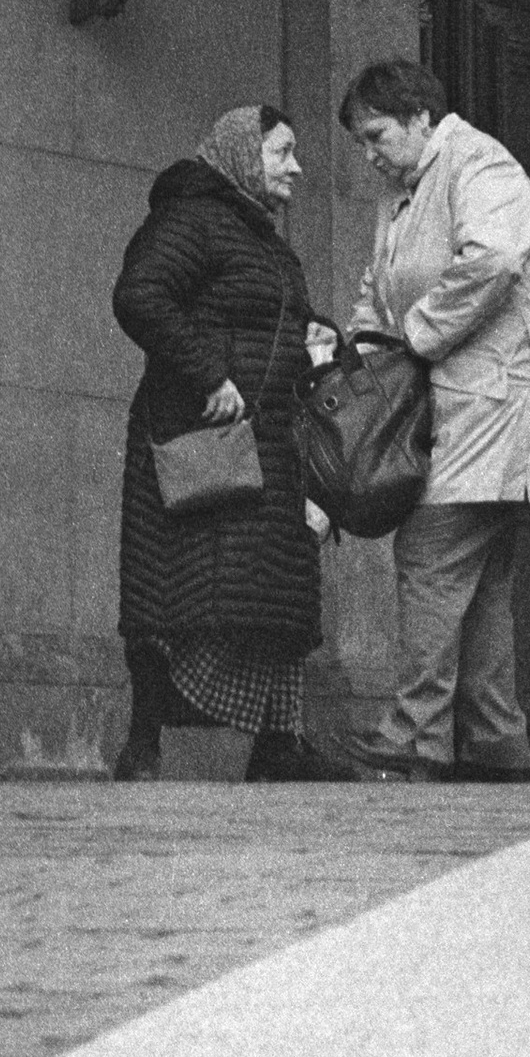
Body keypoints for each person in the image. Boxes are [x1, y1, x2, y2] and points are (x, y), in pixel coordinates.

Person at [339, 58, 530, 782]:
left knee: (428, 559)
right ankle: (495, 740)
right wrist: (367, 350)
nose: (369, 154)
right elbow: (378, 290)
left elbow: (492, 260)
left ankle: (414, 736)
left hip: (494, 403)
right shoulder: (406, 191)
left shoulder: (481, 165)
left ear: (421, 117)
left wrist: (413, 336)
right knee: (482, 580)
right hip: (470, 408)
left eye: (376, 135)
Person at [109, 106, 339, 782]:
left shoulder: (259, 234)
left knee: (266, 594)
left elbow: (259, 318)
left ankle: (277, 741)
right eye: (281, 152)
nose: (296, 166)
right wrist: (208, 373)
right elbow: (140, 295)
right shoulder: (193, 218)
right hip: (205, 439)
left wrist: (313, 340)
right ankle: (155, 743)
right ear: (242, 154)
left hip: (266, 441)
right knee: (189, 595)